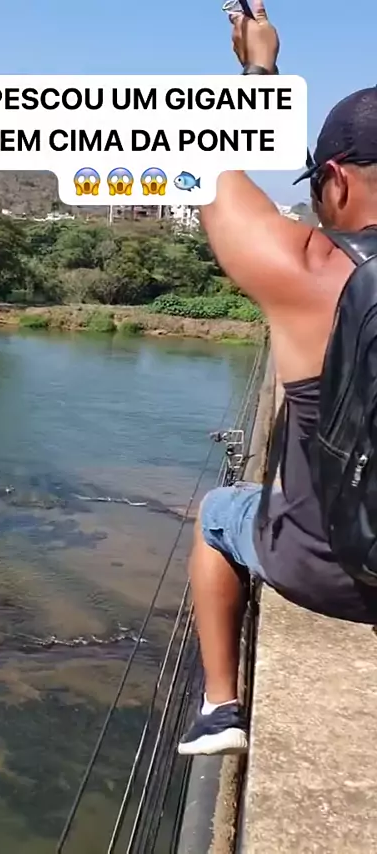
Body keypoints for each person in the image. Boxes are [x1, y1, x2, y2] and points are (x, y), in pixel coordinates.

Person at [178, 0, 377, 757]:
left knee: (218, 512)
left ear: (335, 181)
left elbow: (207, 166)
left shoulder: (312, 270)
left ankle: (220, 708)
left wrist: (257, 68)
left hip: (332, 573)